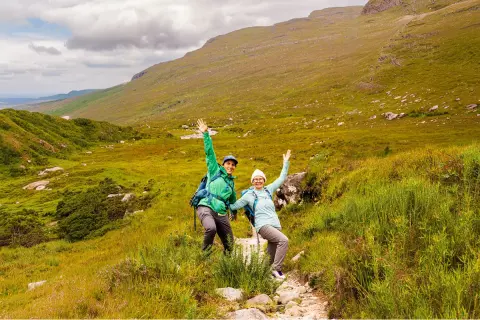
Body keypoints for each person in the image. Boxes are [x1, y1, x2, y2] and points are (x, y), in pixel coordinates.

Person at [229, 150, 291, 279]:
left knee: (272, 247)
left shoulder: (269, 190)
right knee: (283, 240)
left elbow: (281, 178)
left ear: (264, 180)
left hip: (275, 224)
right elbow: (234, 205)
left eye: (260, 179)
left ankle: (263, 272)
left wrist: (285, 163)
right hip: (263, 225)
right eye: (255, 179)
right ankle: (276, 269)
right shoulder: (249, 195)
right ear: (252, 182)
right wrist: (219, 199)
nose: (258, 181)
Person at [196, 119, 237, 252]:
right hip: (206, 206)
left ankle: (227, 266)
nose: (230, 166)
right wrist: (206, 134)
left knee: (230, 244)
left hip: (221, 213)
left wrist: (234, 212)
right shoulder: (214, 169)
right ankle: (204, 257)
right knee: (211, 228)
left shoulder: (231, 183)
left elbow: (233, 200)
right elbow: (210, 153)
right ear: (223, 164)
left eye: (233, 164)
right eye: (228, 163)